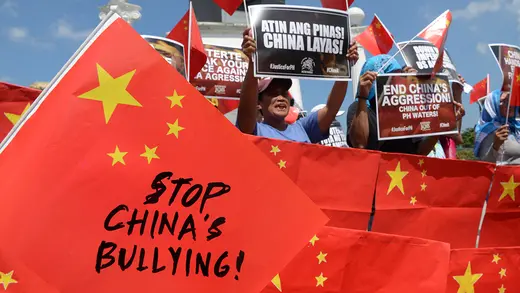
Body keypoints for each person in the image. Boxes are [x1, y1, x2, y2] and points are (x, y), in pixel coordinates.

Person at [237, 28, 359, 143]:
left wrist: (345, 66)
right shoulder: (254, 130)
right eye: (273, 93)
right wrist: (253, 61)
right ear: (259, 103)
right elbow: (247, 103)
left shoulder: (303, 128)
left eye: (284, 93)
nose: (281, 98)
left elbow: (331, 109)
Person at [347, 54, 465, 155]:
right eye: (390, 76)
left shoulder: (407, 111)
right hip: (373, 177)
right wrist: (362, 97)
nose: (394, 81)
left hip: (405, 177)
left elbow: (421, 152)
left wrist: (438, 127)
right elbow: (360, 144)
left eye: (399, 76)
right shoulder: (359, 108)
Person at [474, 89, 520, 164]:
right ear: (492, 105)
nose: (509, 104)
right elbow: (484, 163)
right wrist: (496, 145)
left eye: (512, 100)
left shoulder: (517, 127)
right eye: (503, 101)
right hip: (506, 174)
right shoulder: (487, 130)